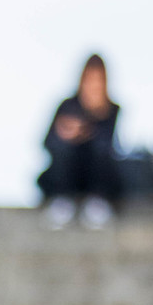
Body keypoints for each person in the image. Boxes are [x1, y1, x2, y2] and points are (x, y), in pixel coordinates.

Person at [38, 54, 120, 228]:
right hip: (67, 173)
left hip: (95, 176)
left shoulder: (112, 110)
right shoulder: (67, 106)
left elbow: (111, 147)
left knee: (101, 151)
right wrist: (66, 134)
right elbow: (46, 143)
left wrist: (95, 122)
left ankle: (97, 202)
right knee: (64, 149)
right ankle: (62, 201)